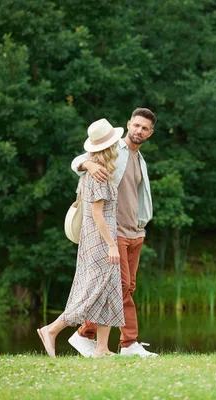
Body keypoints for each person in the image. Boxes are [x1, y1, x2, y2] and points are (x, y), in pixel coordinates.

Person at [68, 107, 157, 358]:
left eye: (145, 128)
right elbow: (77, 161)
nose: (139, 130)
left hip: (135, 232)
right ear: (128, 124)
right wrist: (87, 163)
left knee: (126, 287)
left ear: (150, 133)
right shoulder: (112, 149)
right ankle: (128, 343)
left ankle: (85, 334)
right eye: (136, 125)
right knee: (120, 286)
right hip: (113, 231)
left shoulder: (140, 159)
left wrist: (141, 228)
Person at [37, 118, 125, 358]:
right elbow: (97, 214)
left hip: (98, 238)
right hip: (100, 240)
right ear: (109, 147)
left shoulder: (97, 170)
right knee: (92, 291)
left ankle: (101, 348)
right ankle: (51, 329)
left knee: (109, 290)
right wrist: (111, 245)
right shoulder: (98, 175)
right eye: (115, 144)